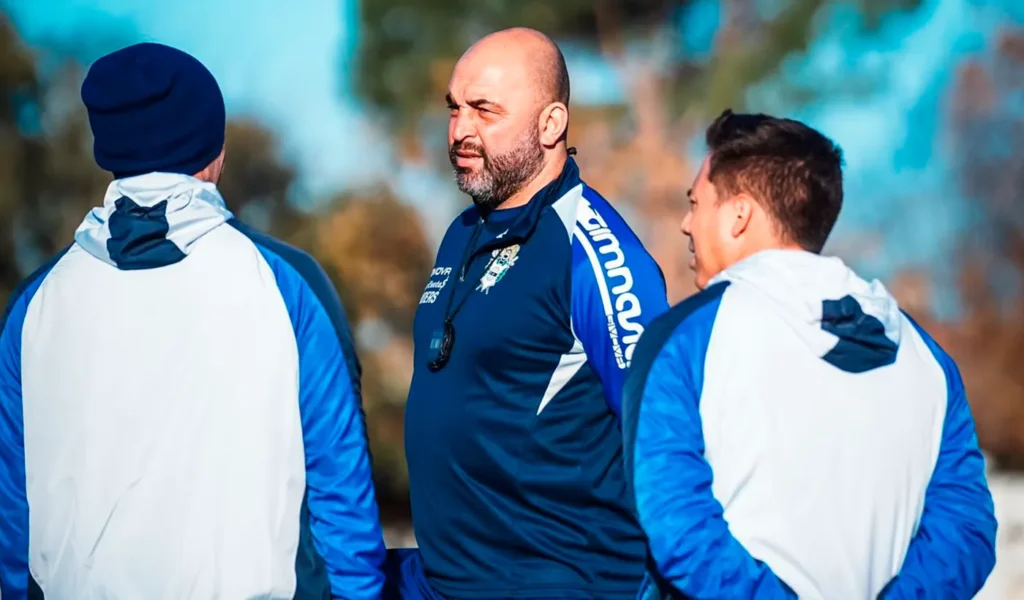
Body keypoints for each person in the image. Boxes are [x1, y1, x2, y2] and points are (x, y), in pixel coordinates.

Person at [0, 42, 386, 599]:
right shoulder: (287, 285)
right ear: (216, 152)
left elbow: (15, 523)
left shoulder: (32, 307)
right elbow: (341, 499)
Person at [622, 109, 999, 599]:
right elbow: (964, 528)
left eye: (696, 203)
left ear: (738, 215)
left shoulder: (684, 340)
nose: (686, 224)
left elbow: (672, 517)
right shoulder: (926, 358)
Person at [393, 28, 669, 599]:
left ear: (551, 125)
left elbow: (662, 438)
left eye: (485, 111)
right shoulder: (462, 231)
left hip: (558, 580)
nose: (461, 130)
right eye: (455, 109)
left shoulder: (594, 251)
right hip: (449, 579)